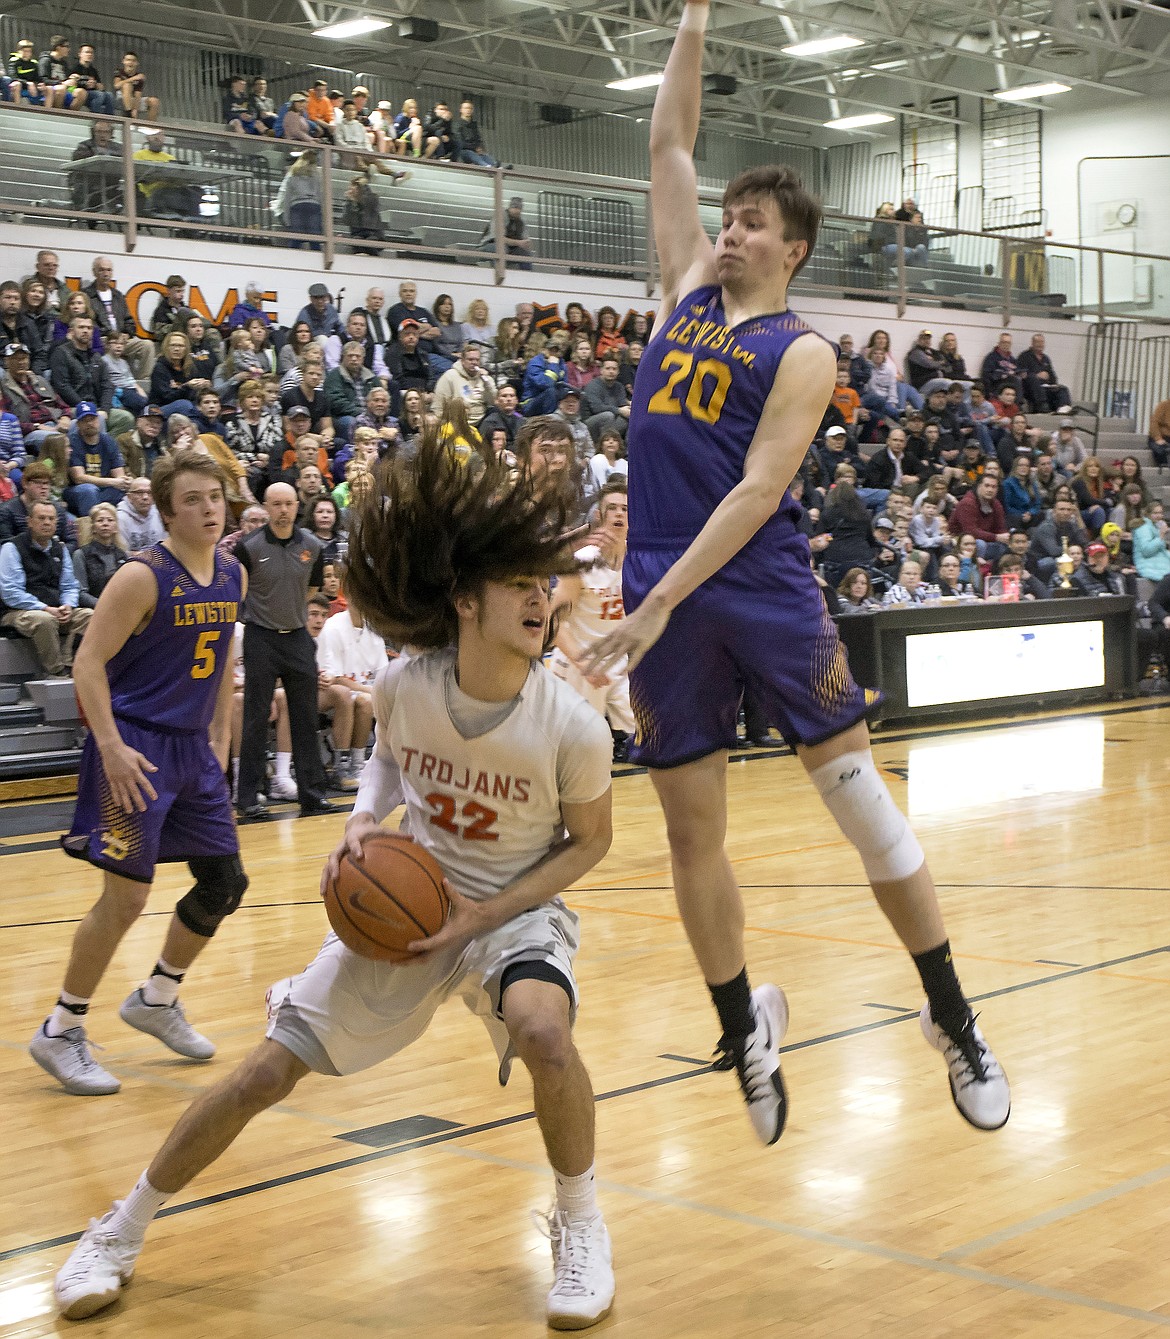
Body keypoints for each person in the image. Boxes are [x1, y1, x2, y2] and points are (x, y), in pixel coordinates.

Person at [53, 432, 617, 1331]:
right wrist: (362, 824)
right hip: (411, 902)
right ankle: (118, 1229)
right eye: (519, 584)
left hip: (512, 913)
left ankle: (581, 1224)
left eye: (544, 584)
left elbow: (589, 844)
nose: (539, 598)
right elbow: (389, 763)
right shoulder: (403, 685)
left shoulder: (575, 727)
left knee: (545, 1030)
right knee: (260, 1073)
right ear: (465, 602)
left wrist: (486, 910)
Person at [584, 0, 1009, 1148]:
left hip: (757, 586)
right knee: (688, 834)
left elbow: (757, 494)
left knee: (865, 812)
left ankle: (953, 1015)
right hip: (666, 588)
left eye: (753, 221)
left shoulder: (807, 350)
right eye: (727, 217)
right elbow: (668, 143)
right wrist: (693, 21)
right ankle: (742, 1026)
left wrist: (657, 600)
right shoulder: (680, 290)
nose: (729, 230)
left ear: (794, 246)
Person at [28, 453, 246, 1099]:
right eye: (195, 500)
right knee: (125, 899)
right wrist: (112, 747)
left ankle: (157, 996)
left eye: (217, 497)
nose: (211, 508)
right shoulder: (141, 576)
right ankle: (62, 1027)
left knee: (225, 881)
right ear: (168, 511)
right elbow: (87, 663)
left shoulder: (231, 572)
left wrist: (220, 744)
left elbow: (222, 666)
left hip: (193, 751)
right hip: (134, 747)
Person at [233, 483, 331, 820]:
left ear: (296, 506)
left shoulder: (314, 546)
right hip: (260, 637)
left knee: (306, 716)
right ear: (266, 507)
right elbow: (240, 593)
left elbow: (313, 591)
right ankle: (247, 796)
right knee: (256, 717)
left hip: (298, 638)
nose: (283, 510)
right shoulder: (247, 547)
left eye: (289, 504)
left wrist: (292, 617)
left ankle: (312, 794)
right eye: (276, 504)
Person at [549, 481, 635, 756]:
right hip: (579, 662)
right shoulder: (581, 561)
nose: (619, 514)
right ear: (599, 515)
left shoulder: (639, 559)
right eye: (612, 509)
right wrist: (582, 661)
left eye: (625, 509)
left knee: (654, 732)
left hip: (617, 662)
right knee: (581, 752)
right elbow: (555, 623)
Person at [0, 498, 92, 674]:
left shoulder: (60, 549)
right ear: (29, 522)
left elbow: (69, 585)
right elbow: (11, 592)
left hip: (55, 609)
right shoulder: (12, 548)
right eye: (41, 518)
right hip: (15, 612)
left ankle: (73, 665)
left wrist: (68, 605)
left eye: (51, 519)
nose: (47, 523)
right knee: (45, 620)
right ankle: (55, 672)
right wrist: (45, 608)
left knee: (91, 616)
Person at [314, 595, 385, 787]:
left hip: (361, 693)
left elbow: (383, 673)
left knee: (365, 701)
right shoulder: (333, 627)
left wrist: (374, 690)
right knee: (352, 696)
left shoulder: (375, 630)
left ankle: (358, 765)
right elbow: (334, 677)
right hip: (329, 691)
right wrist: (370, 689)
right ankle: (340, 766)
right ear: (350, 599)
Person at [65, 402, 129, 516]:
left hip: (103, 489)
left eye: (92, 419)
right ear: (78, 424)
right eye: (85, 420)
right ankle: (91, 530)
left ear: (98, 420)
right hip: (77, 491)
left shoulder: (108, 441)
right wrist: (113, 482)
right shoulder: (72, 442)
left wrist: (124, 482)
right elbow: (79, 478)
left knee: (129, 492)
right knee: (89, 490)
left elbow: (119, 475)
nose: (89, 423)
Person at [73, 502, 129, 606]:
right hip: (94, 608)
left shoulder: (123, 555)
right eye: (100, 520)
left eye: (110, 520)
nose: (105, 524)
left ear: (116, 527)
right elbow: (80, 592)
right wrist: (104, 606)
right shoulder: (81, 555)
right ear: (93, 527)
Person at [1017, 334, 1071, 414]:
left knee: (1063, 388)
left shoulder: (1046, 359)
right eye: (1037, 342)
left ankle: (1064, 408)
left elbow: (1053, 377)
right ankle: (1042, 405)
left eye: (1042, 342)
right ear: (1032, 343)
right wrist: (1037, 375)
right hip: (1031, 389)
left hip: (1046, 388)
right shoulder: (1024, 356)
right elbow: (1021, 374)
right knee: (1032, 378)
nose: (1040, 344)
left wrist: (1049, 377)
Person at [117, 476, 167, 551]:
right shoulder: (120, 518)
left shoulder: (160, 514)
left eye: (149, 493)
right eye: (139, 493)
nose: (145, 497)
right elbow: (122, 553)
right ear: (129, 497)